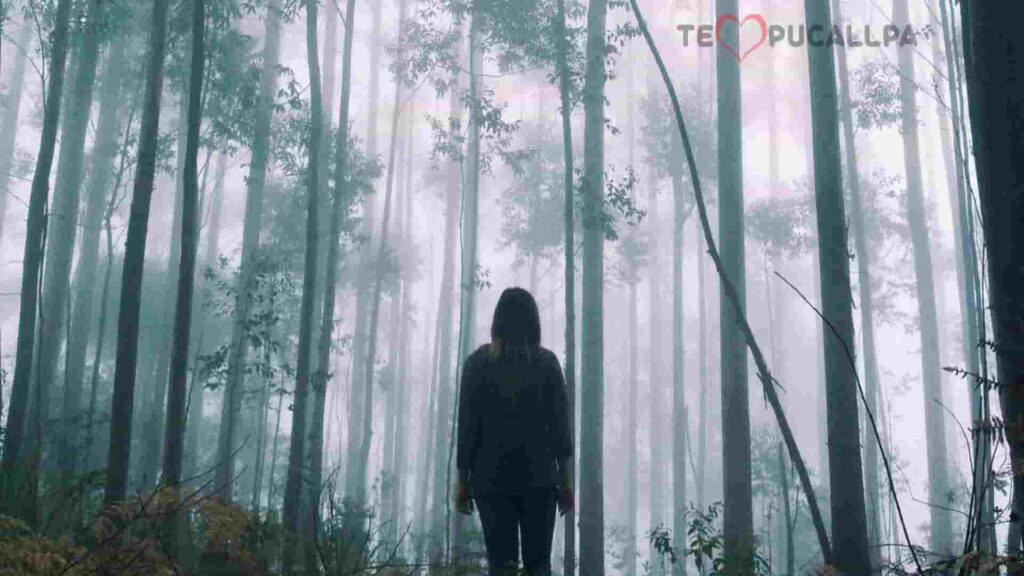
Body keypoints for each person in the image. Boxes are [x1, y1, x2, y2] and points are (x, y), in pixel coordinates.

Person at [454, 287, 575, 576]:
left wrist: (462, 482)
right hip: (540, 482)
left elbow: (467, 428)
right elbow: (561, 431)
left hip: (491, 482)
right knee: (538, 565)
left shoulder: (477, 363)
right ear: (534, 322)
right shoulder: (546, 364)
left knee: (501, 565)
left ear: (497, 321)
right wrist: (566, 481)